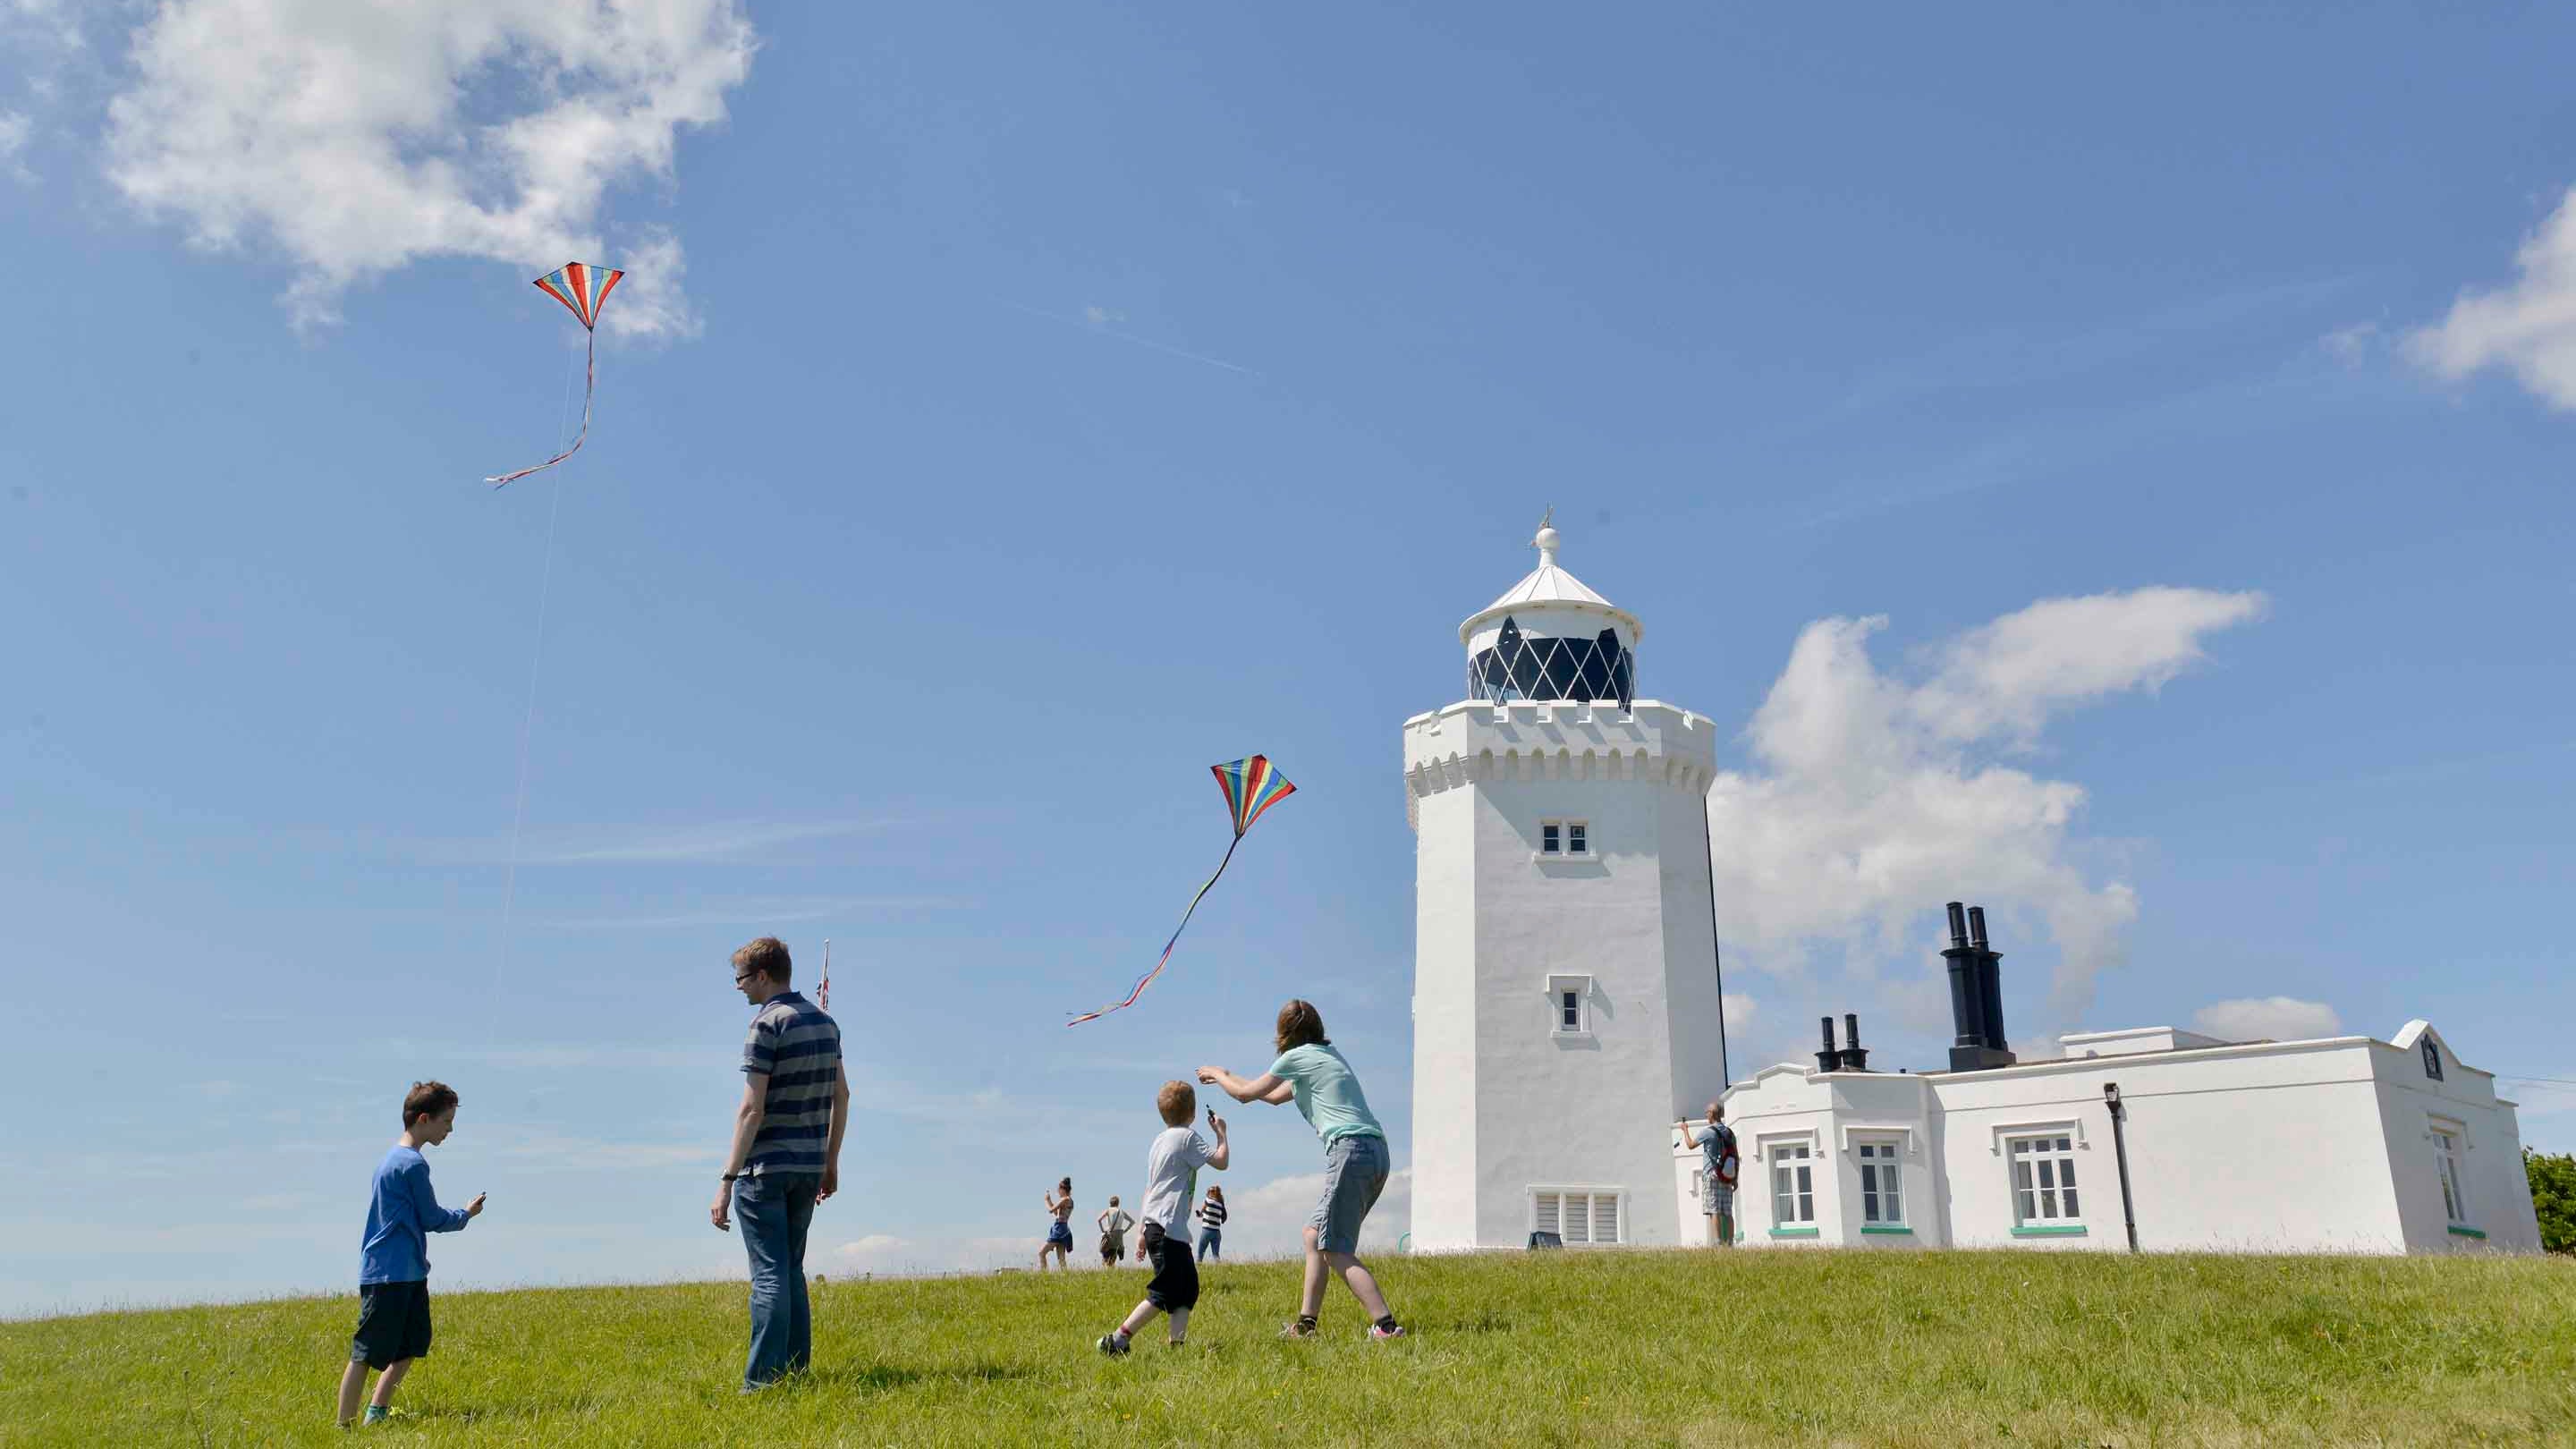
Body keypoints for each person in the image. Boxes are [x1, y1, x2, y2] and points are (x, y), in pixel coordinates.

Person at [1200, 1000, 1405, 1341]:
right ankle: (1306, 1326)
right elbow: (1275, 1095)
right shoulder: (1327, 1056)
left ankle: (1385, 1326)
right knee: (1314, 1236)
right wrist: (1230, 1075)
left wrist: (1218, 1074)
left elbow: (1246, 1095)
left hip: (1350, 1150)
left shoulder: (1296, 1057)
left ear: (1284, 1034)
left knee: (1335, 1250)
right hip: (1376, 1151)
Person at [708, 936, 849, 1393]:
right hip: (808, 1166)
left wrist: (726, 1179)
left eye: (742, 978)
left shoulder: (766, 1024)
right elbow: (841, 1095)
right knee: (791, 1268)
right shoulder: (826, 1022)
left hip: (764, 1169)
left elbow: (752, 1109)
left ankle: (761, 1383)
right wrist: (830, 1160)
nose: (738, 987)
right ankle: (794, 1372)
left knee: (769, 1273)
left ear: (764, 976)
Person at [336, 1080, 487, 1429]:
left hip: (407, 1272)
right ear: (424, 1118)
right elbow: (431, 1218)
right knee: (366, 1352)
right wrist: (466, 1214)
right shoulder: (411, 1165)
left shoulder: (391, 1160)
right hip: (390, 1274)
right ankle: (344, 1427)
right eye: (446, 1121)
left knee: (411, 1345)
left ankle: (376, 1414)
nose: (450, 1129)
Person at [1097, 1082, 1229, 1354]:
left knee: (1187, 1288)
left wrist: (1143, 1230)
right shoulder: (1188, 1138)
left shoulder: (1158, 1141)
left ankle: (1176, 1347)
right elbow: (1221, 1161)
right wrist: (1221, 1134)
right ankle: (1118, 1339)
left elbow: (1151, 1188)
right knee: (1166, 1290)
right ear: (1192, 1113)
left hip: (1160, 1225)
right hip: (1168, 1228)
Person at [1680, 1102, 1739, 1247]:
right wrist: (1735, 1178)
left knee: (1714, 1211)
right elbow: (1736, 1156)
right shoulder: (1730, 1133)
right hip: (1727, 1176)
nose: (1706, 1115)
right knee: (1727, 1211)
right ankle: (1730, 1243)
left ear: (1712, 1114)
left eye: (1707, 1112)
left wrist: (1685, 1130)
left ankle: (1718, 1243)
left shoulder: (1708, 1131)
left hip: (1712, 1175)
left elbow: (1690, 1145)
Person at [1039, 1178, 1075, 1271]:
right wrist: (1050, 1200)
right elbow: (1056, 1213)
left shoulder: (1065, 1199)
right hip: (1064, 1229)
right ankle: (1066, 1277)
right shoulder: (1068, 1200)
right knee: (1061, 1259)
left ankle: (1044, 1274)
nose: (1057, 1191)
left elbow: (1051, 1211)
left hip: (1059, 1229)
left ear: (1062, 1189)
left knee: (1042, 1253)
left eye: (1058, 1189)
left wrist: (1046, 1201)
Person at [1097, 1196, 1136, 1267]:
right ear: (1118, 1203)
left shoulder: (1108, 1210)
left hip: (1110, 1236)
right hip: (1119, 1237)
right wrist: (1125, 1231)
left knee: (1105, 1258)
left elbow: (1099, 1220)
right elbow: (1132, 1222)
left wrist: (1103, 1230)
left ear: (1110, 1203)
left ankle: (1106, 1273)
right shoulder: (1122, 1212)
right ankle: (1111, 1271)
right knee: (1113, 1259)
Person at [1194, 1184, 1227, 1263]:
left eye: (1209, 1191)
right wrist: (1201, 1214)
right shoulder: (1220, 1205)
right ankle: (1220, 1269)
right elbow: (1206, 1213)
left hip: (1207, 1231)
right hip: (1217, 1233)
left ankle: (1198, 1269)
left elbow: (1204, 1208)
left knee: (1200, 1253)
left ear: (1211, 1193)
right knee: (1216, 1255)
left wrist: (1199, 1214)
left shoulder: (1208, 1201)